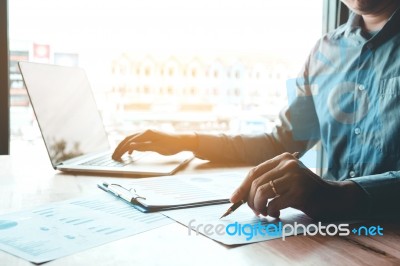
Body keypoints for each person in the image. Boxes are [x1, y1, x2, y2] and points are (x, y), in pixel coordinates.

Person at [112, 0, 400, 221]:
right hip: (331, 236)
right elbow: (281, 142)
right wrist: (189, 141)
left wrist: (339, 195)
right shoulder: (324, 50)